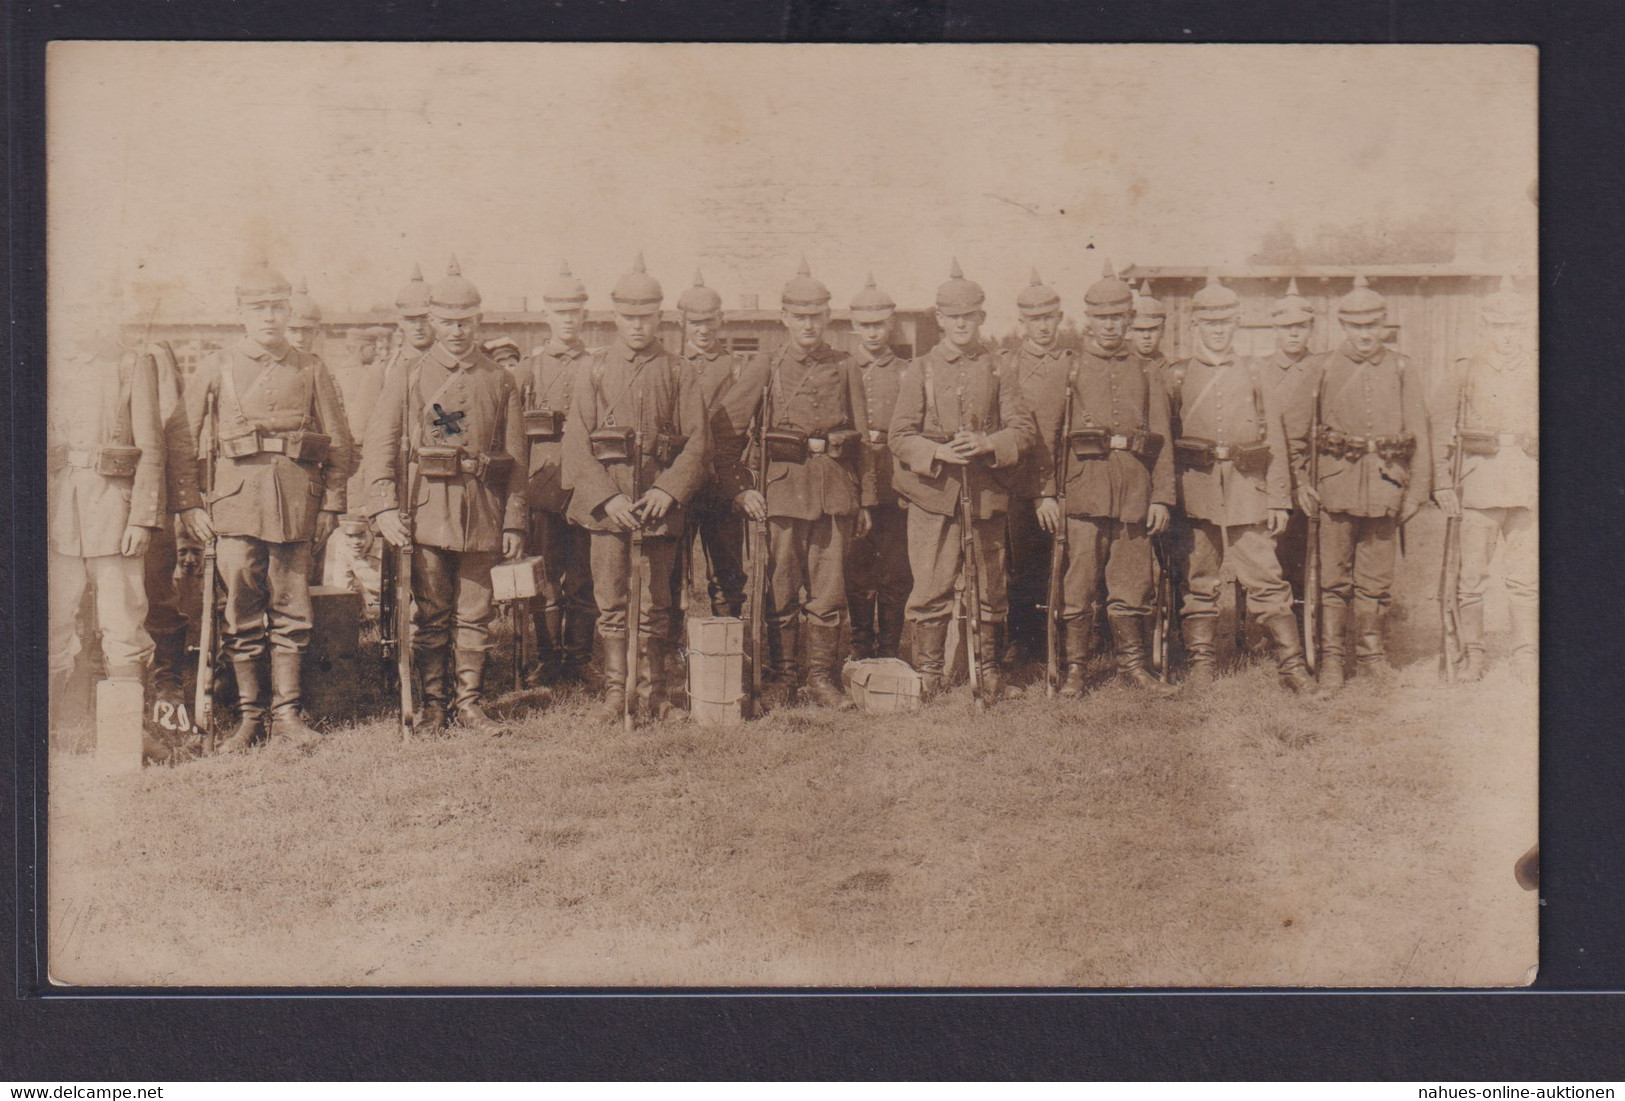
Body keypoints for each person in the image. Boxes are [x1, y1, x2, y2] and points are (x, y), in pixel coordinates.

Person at [184, 260, 356, 750]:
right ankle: (249, 718)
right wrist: (188, 506)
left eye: (277, 308)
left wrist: (331, 506)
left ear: (288, 311)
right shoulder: (216, 365)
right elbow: (182, 437)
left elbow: (341, 442)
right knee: (239, 612)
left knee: (293, 610)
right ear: (240, 312)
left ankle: (287, 715)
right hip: (234, 505)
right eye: (257, 308)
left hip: (296, 506)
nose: (268, 317)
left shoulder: (311, 367)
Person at [365, 257, 528, 735]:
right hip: (425, 509)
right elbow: (379, 443)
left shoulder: (500, 379)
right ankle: (435, 705)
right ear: (431, 322)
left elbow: (516, 457)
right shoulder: (409, 375)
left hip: (481, 511)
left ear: (479, 321)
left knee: (476, 613)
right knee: (432, 613)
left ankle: (470, 703)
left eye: (466, 322)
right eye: (447, 322)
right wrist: (383, 506)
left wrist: (515, 520)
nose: (456, 331)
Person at [714, 259, 877, 709]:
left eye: (816, 315)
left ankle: (821, 678)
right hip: (781, 495)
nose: (808, 324)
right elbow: (724, 430)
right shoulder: (766, 365)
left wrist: (864, 498)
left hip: (834, 494)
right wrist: (740, 489)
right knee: (779, 587)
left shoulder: (845, 365)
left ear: (828, 317)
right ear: (784, 317)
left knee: (829, 591)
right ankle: (785, 677)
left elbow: (862, 437)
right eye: (799, 316)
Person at [562, 254, 711, 724]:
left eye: (646, 316)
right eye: (628, 316)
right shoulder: (593, 369)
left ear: (660, 316)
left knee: (656, 606)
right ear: (614, 316)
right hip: (610, 512)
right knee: (611, 604)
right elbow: (575, 444)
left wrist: (669, 490)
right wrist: (607, 498)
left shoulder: (679, 371)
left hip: (657, 510)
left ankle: (656, 695)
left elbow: (699, 444)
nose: (637, 325)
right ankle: (614, 694)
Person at [888, 260, 1037, 701]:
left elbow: (1022, 430)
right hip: (932, 495)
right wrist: (937, 451)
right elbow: (899, 435)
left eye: (969, 316)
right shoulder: (920, 369)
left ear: (981, 318)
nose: (960, 324)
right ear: (939, 320)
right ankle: (930, 675)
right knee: (931, 586)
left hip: (986, 494)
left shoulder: (997, 368)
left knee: (989, 587)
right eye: (952, 317)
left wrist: (988, 443)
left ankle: (988, 671)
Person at [1165, 276, 1314, 694]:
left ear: (1237, 324)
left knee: (1266, 577)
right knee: (1199, 579)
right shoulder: (1177, 376)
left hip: (1249, 490)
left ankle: (1291, 667)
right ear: (1195, 325)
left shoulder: (1254, 371)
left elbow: (1277, 441)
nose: (1218, 330)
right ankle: (1201, 668)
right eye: (1209, 322)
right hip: (1195, 490)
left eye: (1226, 322)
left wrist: (1280, 500)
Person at [1034, 264, 1176, 696]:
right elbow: (1047, 437)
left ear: (1129, 319)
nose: (1110, 326)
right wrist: (1045, 494)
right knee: (1078, 584)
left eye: (1118, 318)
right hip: (1083, 490)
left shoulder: (1146, 370)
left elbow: (1163, 436)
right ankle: (1076, 670)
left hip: (1134, 489)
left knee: (1133, 583)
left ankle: (1133, 667)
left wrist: (1162, 498)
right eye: (1101, 318)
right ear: (1089, 320)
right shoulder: (1070, 369)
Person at [1286, 275, 1432, 691]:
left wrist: (1417, 492)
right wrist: (1301, 482)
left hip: (1387, 488)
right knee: (1334, 579)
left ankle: (1371, 654)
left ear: (1384, 325)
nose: (1365, 335)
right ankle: (1332, 658)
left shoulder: (1403, 367)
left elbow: (1420, 433)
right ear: (1343, 327)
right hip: (1335, 488)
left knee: (1377, 579)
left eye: (1372, 326)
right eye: (1356, 326)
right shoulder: (1322, 367)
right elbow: (1295, 432)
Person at [1430, 278, 1537, 683]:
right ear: (1485, 327)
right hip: (1477, 487)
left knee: (1525, 577)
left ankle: (1526, 651)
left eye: (1514, 326)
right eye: (1498, 326)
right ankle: (1473, 652)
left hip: (1528, 485)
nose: (1507, 336)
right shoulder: (1465, 371)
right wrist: (1442, 483)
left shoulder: (1539, 366)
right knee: (1470, 577)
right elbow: (1441, 430)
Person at [520, 261, 599, 687]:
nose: (568, 318)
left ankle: (581, 660)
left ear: (585, 314)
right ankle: (549, 660)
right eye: (560, 311)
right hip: (542, 484)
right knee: (546, 575)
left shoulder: (598, 365)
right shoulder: (529, 369)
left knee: (584, 574)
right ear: (546, 314)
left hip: (585, 484)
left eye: (575, 310)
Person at [1001, 268, 1077, 669]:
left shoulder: (1073, 364)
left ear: (1059, 318)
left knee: (1068, 567)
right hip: (1021, 485)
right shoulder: (1008, 365)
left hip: (1070, 481)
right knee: (1023, 567)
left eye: (1049, 318)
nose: (1043, 326)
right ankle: (1024, 641)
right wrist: (1038, 492)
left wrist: (1055, 488)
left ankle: (1067, 642)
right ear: (1022, 323)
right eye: (1034, 320)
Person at [673, 270, 747, 629]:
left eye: (710, 321)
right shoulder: (669, 365)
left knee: (727, 569)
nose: (703, 330)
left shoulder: (735, 367)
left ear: (721, 320)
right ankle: (668, 645)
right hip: (677, 481)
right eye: (695, 323)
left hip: (720, 482)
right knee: (670, 567)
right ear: (682, 322)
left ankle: (729, 640)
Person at [843, 273, 911, 662]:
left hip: (896, 482)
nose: (873, 333)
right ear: (854, 327)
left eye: (880, 325)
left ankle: (889, 648)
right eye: (865, 326)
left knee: (896, 572)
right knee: (857, 571)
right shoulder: (844, 370)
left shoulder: (907, 371)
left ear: (892, 324)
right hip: (854, 482)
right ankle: (860, 646)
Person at [1260, 278, 1319, 609]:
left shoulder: (1323, 370)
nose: (1294, 334)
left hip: (1314, 479)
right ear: (1275, 329)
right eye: (1287, 327)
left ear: (1311, 329)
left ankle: (1310, 623)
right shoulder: (1262, 373)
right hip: (1273, 478)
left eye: (1301, 326)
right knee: (1272, 558)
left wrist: (1307, 481)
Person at [1128, 283, 1169, 373]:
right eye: (1139, 330)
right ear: (1129, 331)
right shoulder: (1122, 370)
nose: (1146, 336)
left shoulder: (1171, 371)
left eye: (1152, 329)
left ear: (1163, 330)